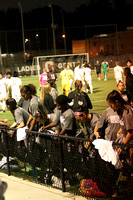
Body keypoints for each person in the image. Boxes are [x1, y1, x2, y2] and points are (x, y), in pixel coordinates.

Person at [106, 90, 133, 162]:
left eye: (111, 105)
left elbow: (131, 132)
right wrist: (120, 131)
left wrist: (122, 146)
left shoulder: (127, 112)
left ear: (117, 102)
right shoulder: (120, 110)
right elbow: (124, 124)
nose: (111, 108)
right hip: (127, 141)